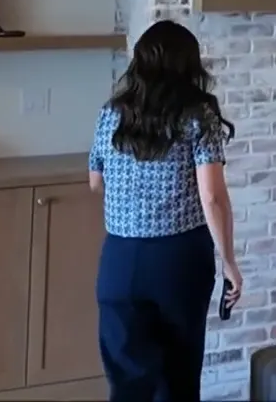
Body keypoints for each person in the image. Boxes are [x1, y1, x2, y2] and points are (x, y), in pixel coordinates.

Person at [89, 20, 239, 402]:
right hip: (178, 260)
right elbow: (212, 197)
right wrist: (229, 263)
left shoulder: (111, 113)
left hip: (120, 259)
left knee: (127, 385)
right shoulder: (198, 115)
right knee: (178, 380)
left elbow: (95, 182)